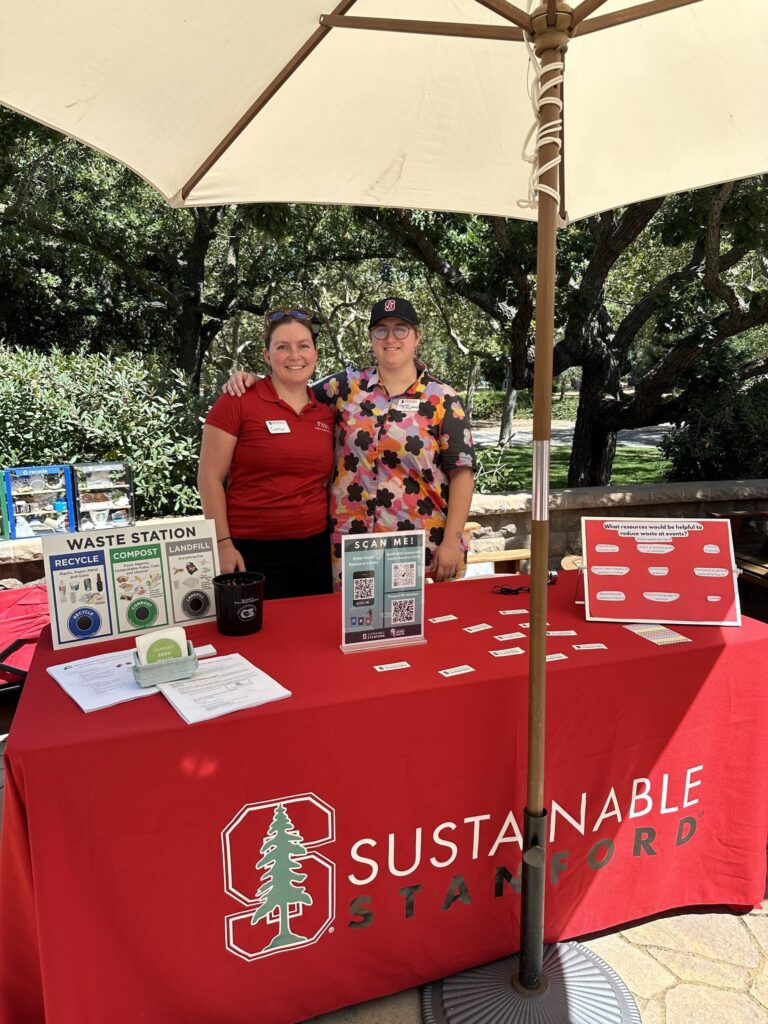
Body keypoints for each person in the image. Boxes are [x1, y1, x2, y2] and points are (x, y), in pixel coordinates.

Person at [224, 297, 476, 587]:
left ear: (417, 336)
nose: (390, 338)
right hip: (352, 548)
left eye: (400, 329)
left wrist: (452, 540)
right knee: (353, 617)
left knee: (416, 616)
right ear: (371, 337)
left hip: (419, 545)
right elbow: (293, 387)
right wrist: (256, 380)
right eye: (381, 330)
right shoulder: (344, 387)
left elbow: (462, 472)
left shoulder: (442, 399)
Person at [198, 309, 334, 599]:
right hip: (251, 551)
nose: (294, 355)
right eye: (282, 347)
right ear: (266, 355)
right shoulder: (236, 401)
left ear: (315, 353)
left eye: (303, 345)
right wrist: (222, 543)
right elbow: (209, 477)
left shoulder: (326, 411)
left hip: (315, 551)